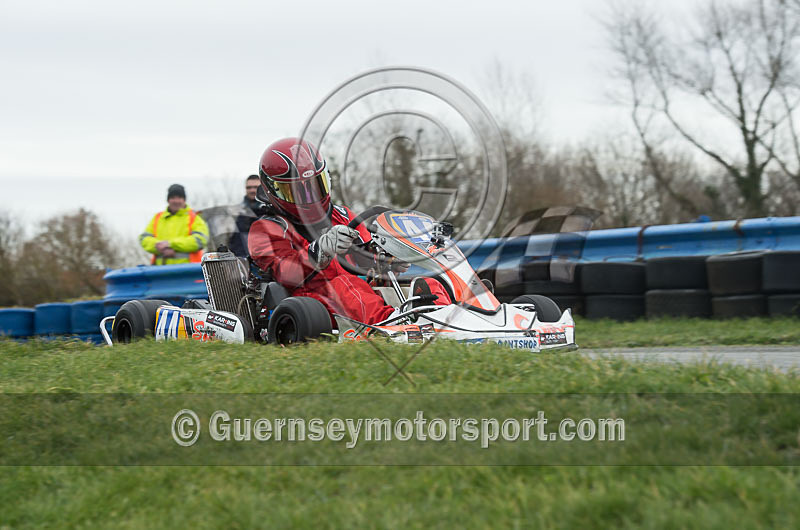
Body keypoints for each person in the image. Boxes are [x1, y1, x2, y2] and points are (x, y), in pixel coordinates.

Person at [248, 137, 451, 325]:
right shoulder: (265, 229)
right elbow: (286, 273)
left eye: (315, 186)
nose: (309, 197)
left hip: (356, 293)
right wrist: (320, 250)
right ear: (271, 190)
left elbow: (365, 258)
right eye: (296, 191)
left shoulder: (343, 215)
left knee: (424, 282)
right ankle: (390, 323)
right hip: (308, 300)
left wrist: (389, 257)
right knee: (345, 284)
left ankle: (443, 316)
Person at [140, 184, 209, 265]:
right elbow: (144, 239)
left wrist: (170, 244)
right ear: (168, 200)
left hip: (189, 273)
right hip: (160, 273)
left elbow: (200, 240)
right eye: (173, 198)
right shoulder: (157, 218)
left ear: (184, 200)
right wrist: (157, 246)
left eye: (179, 197)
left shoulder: (194, 217)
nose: (176, 201)